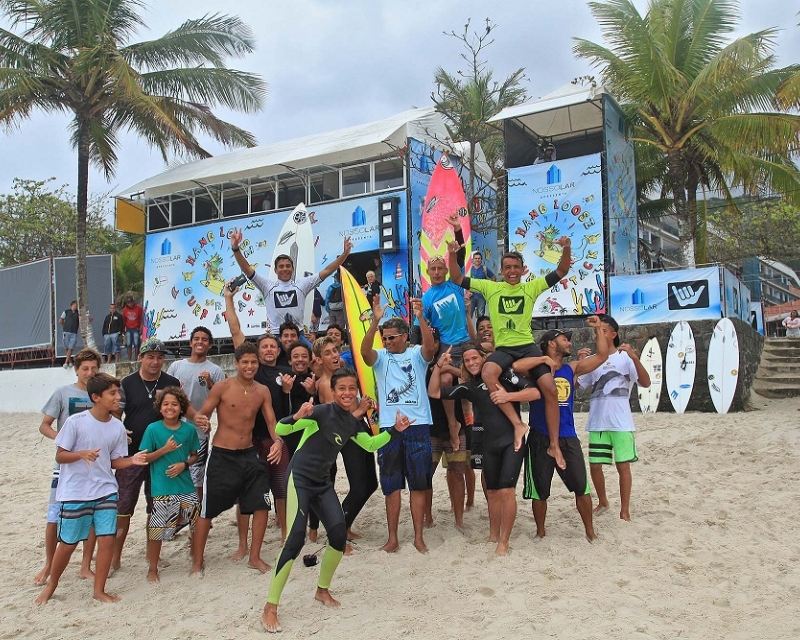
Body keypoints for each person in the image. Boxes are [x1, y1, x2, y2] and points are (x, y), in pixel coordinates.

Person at [261, 371, 414, 633]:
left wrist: (395, 431)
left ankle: (322, 590)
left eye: (351, 388)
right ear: (332, 390)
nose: (346, 392)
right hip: (299, 479)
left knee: (338, 535)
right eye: (341, 388)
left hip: (322, 484)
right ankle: (271, 606)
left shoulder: (353, 422)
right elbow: (281, 429)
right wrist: (298, 416)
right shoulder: (319, 412)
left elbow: (369, 445)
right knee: (295, 540)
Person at [448, 240, 572, 468]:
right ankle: (517, 424)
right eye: (508, 267)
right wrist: (451, 254)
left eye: (516, 267)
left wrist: (566, 248)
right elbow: (457, 278)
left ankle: (554, 444)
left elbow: (562, 270)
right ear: (502, 270)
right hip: (504, 348)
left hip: (527, 345)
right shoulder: (490, 287)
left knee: (551, 389)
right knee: (488, 373)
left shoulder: (531, 287)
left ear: (523, 269)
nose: (512, 271)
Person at [35, 373, 149, 605]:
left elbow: (115, 461)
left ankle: (99, 590)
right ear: (96, 397)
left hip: (105, 490)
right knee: (68, 543)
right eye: (113, 393)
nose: (118, 397)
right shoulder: (75, 422)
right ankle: (52, 585)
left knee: (106, 540)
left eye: (118, 392)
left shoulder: (117, 427)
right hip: (75, 492)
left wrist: (132, 460)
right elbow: (61, 455)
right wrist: (81, 454)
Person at [429, 343, 539, 555]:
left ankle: (504, 541)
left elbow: (534, 393)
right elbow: (434, 392)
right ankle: (493, 535)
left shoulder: (505, 377)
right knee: (492, 492)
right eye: (467, 361)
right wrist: (438, 367)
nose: (471, 363)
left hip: (511, 441)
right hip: (490, 444)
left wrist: (508, 397)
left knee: (507, 491)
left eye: (475, 359)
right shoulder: (470, 388)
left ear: (485, 359)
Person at [191, 342, 283, 575]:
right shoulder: (222, 387)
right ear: (236, 363)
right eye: (245, 362)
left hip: (249, 454)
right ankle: (197, 562)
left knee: (261, 504)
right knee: (207, 510)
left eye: (253, 362)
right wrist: (201, 420)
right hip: (222, 455)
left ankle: (255, 557)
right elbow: (204, 412)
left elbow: (271, 422)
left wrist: (278, 442)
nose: (250, 366)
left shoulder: (262, 390)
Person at [520, 316, 608, 542]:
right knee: (540, 490)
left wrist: (598, 329)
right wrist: (539, 360)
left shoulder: (572, 367)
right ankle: (540, 531)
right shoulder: (536, 369)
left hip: (568, 436)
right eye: (564, 339)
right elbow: (516, 366)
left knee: (581, 486)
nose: (569, 343)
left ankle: (590, 531)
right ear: (551, 343)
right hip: (540, 436)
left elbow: (602, 356)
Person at [362, 296, 436, 553]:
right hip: (389, 428)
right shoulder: (381, 357)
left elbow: (430, 349)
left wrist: (420, 318)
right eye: (385, 337)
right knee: (391, 486)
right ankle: (392, 538)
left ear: (405, 336)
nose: (387, 341)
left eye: (392, 337)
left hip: (418, 425)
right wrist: (375, 323)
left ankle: (418, 536)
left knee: (419, 483)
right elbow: (364, 353)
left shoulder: (416, 354)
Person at [224, 281, 292, 545]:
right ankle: (243, 543)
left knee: (282, 489)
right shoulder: (253, 369)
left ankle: (286, 536)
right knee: (247, 491)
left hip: (276, 438)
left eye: (272, 346)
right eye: (263, 347)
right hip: (250, 441)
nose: (268, 350)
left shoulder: (286, 371)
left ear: (278, 349)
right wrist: (229, 299)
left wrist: (287, 390)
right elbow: (235, 329)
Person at [34, 348, 103, 586]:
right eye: (85, 368)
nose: (89, 372)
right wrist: (61, 439)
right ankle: (49, 565)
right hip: (65, 465)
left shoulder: (102, 394)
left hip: (94, 465)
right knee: (55, 516)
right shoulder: (63, 393)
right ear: (76, 370)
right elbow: (44, 425)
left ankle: (85, 566)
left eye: (94, 368)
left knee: (92, 516)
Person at [112, 338, 182, 571]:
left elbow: (178, 414)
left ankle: (153, 556)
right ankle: (114, 558)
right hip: (132, 455)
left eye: (160, 357)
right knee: (122, 508)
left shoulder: (172, 382)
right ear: (140, 357)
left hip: (162, 457)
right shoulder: (127, 383)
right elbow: (115, 415)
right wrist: (119, 430)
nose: (155, 361)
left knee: (157, 507)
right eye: (150, 356)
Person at [577, 315, 651, 521]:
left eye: (602, 330)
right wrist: (580, 365)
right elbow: (576, 386)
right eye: (596, 331)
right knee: (595, 465)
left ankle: (624, 509)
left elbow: (645, 383)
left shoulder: (624, 357)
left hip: (621, 422)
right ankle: (603, 501)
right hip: (598, 422)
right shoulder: (594, 360)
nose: (597, 334)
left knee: (623, 466)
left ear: (613, 334)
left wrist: (635, 357)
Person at [312, 336, 378, 550]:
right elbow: (339, 421)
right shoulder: (324, 384)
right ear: (319, 360)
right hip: (347, 437)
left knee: (372, 484)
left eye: (335, 350)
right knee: (359, 488)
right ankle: (337, 534)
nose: (334, 355)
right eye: (328, 353)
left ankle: (345, 525)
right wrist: (361, 410)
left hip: (361, 431)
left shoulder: (342, 370)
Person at [230, 229, 352, 335]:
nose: (285, 269)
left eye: (288, 266)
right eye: (281, 266)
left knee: (314, 358)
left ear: (293, 269)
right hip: (276, 335)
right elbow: (246, 268)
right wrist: (235, 248)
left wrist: (345, 254)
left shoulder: (302, 285)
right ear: (275, 270)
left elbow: (327, 271)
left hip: (298, 334)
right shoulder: (267, 286)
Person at [140, 387, 201, 583]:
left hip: (186, 486)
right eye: (166, 404)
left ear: (181, 407)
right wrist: (165, 450)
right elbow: (145, 457)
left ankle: (197, 562)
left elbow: (195, 455)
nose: (170, 407)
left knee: (196, 524)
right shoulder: (152, 429)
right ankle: (152, 568)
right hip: (162, 488)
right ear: (160, 407)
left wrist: (184, 465)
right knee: (157, 529)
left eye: (174, 404)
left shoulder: (189, 429)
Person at [166, 326, 225, 501]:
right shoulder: (176, 366)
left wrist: (210, 383)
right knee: (173, 471)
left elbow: (222, 399)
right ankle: (177, 513)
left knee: (197, 475)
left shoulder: (215, 371)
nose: (200, 342)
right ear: (191, 342)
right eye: (197, 338)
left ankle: (198, 513)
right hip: (174, 430)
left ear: (210, 345)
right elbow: (166, 394)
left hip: (199, 432)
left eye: (204, 339)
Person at [424, 328, 468, 532]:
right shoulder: (417, 364)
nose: (428, 346)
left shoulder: (449, 360)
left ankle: (459, 519)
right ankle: (427, 518)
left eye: (432, 342)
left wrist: (447, 368)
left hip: (456, 427)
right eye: (425, 342)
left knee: (457, 473)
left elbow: (470, 378)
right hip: (429, 427)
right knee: (425, 475)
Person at [469, 252, 495, 318]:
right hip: (471, 296)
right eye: (476, 258)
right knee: (468, 315)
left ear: (481, 260)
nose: (477, 260)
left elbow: (493, 278)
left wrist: (488, 286)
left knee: (481, 316)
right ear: (473, 260)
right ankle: (468, 328)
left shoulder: (484, 269)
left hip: (481, 296)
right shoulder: (469, 270)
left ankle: (480, 328)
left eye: (479, 258)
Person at [59, 300, 80, 368]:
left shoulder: (78, 313)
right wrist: (65, 326)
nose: (76, 306)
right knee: (67, 347)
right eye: (76, 305)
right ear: (72, 305)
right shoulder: (66, 312)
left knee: (71, 347)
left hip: (74, 332)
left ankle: (66, 362)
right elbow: (61, 320)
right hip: (66, 331)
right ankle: (70, 361)